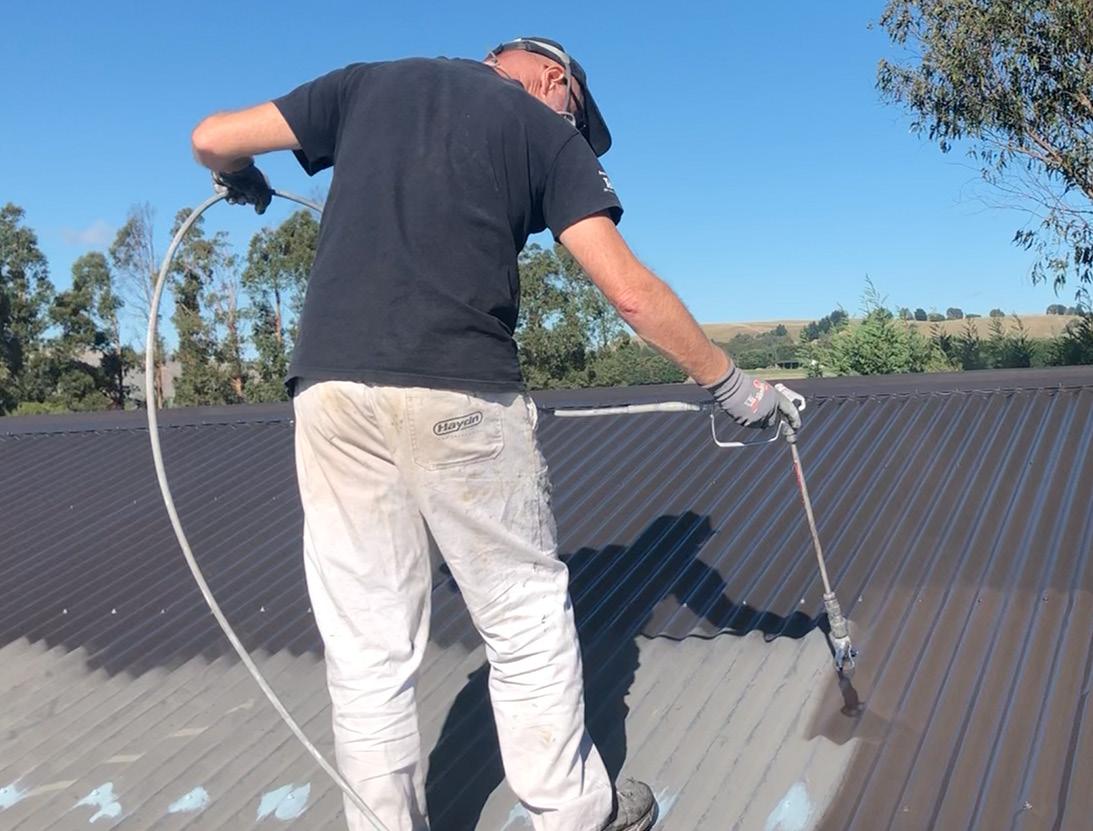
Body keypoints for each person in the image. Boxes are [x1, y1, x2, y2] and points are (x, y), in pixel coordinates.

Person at [191, 36, 801, 831]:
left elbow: (211, 137)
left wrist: (242, 176)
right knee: (521, 621)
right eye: (576, 116)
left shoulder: (367, 84)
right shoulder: (543, 128)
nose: (573, 130)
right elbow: (628, 292)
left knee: (369, 646)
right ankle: (573, 813)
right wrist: (734, 386)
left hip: (331, 396)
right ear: (553, 79)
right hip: (460, 389)